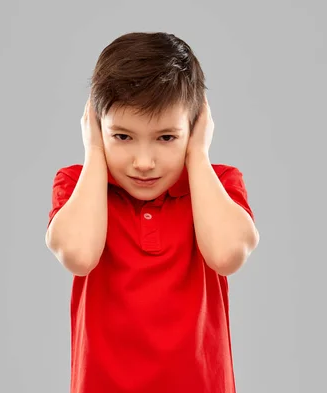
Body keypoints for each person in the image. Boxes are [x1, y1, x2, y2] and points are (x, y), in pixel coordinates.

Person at [45, 32, 260, 393]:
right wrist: (94, 152)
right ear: (97, 128)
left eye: (166, 138)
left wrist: (198, 156)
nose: (143, 163)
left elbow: (227, 255)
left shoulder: (217, 184)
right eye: (122, 137)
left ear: (195, 129)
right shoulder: (79, 184)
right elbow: (79, 255)